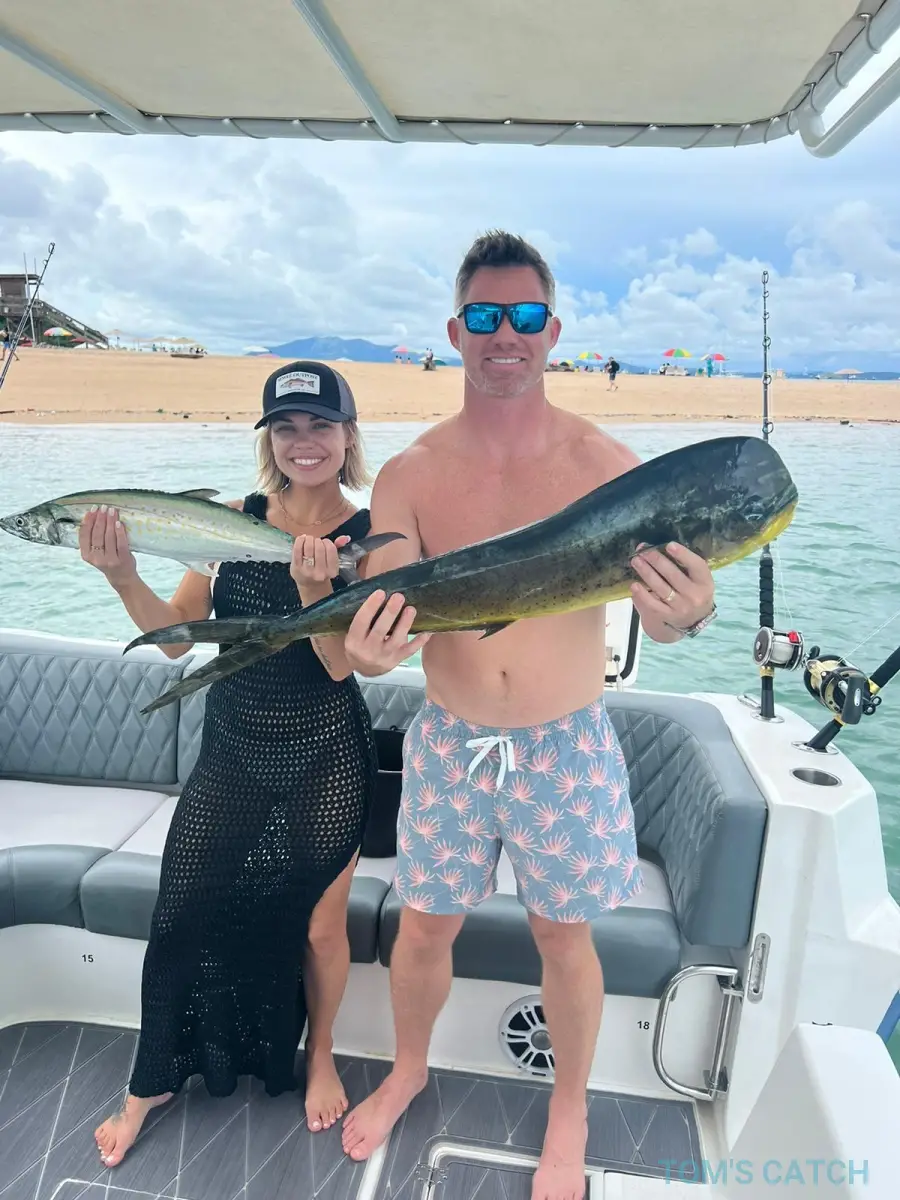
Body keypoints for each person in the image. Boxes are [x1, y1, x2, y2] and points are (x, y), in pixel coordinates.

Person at [299, 232, 717, 1200]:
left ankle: (569, 1106)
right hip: (449, 740)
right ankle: (409, 1069)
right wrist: (370, 648)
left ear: (552, 331)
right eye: (485, 316)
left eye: (525, 316)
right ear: (456, 332)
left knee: (564, 939)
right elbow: (388, 600)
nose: (506, 334)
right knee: (423, 929)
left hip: (566, 742)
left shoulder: (609, 466)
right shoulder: (410, 473)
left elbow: (668, 614)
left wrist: (690, 615)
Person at [89, 361, 380, 1166]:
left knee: (320, 927)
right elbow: (177, 638)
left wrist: (316, 591)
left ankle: (319, 1054)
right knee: (181, 910)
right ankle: (151, 1080)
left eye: (320, 425)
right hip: (234, 750)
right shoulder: (229, 521)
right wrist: (122, 575)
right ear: (269, 440)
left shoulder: (370, 536)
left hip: (325, 754)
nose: (303, 442)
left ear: (348, 435)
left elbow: (341, 665)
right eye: (286, 428)